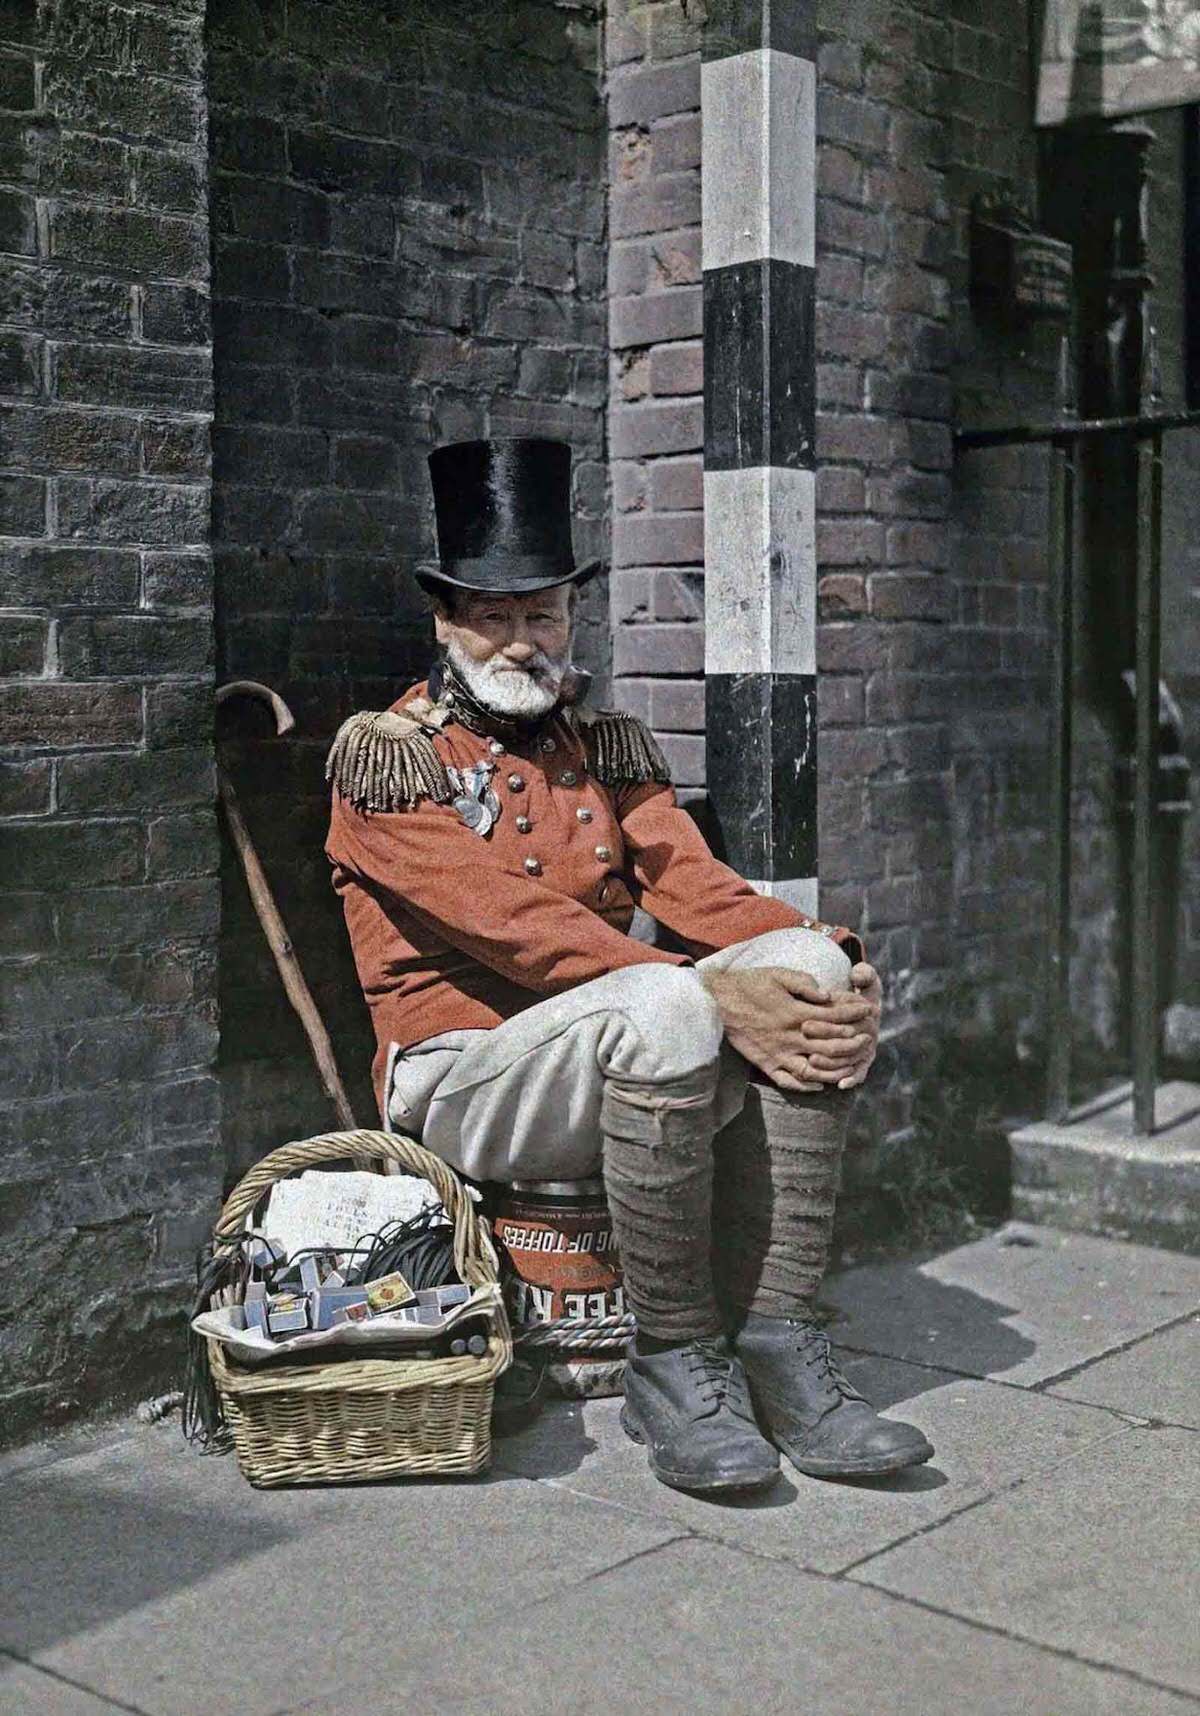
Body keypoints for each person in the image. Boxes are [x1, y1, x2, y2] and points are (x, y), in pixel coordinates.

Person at [325, 437, 933, 1495]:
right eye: (495, 618)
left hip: (608, 1049)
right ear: (446, 622)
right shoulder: (388, 755)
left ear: (572, 619)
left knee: (799, 970)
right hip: (464, 1079)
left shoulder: (602, 745)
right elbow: (510, 923)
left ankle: (781, 1341)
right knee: (665, 998)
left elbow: (695, 885)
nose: (522, 643)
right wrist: (714, 993)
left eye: (544, 616)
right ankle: (676, 1363)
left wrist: (832, 955)